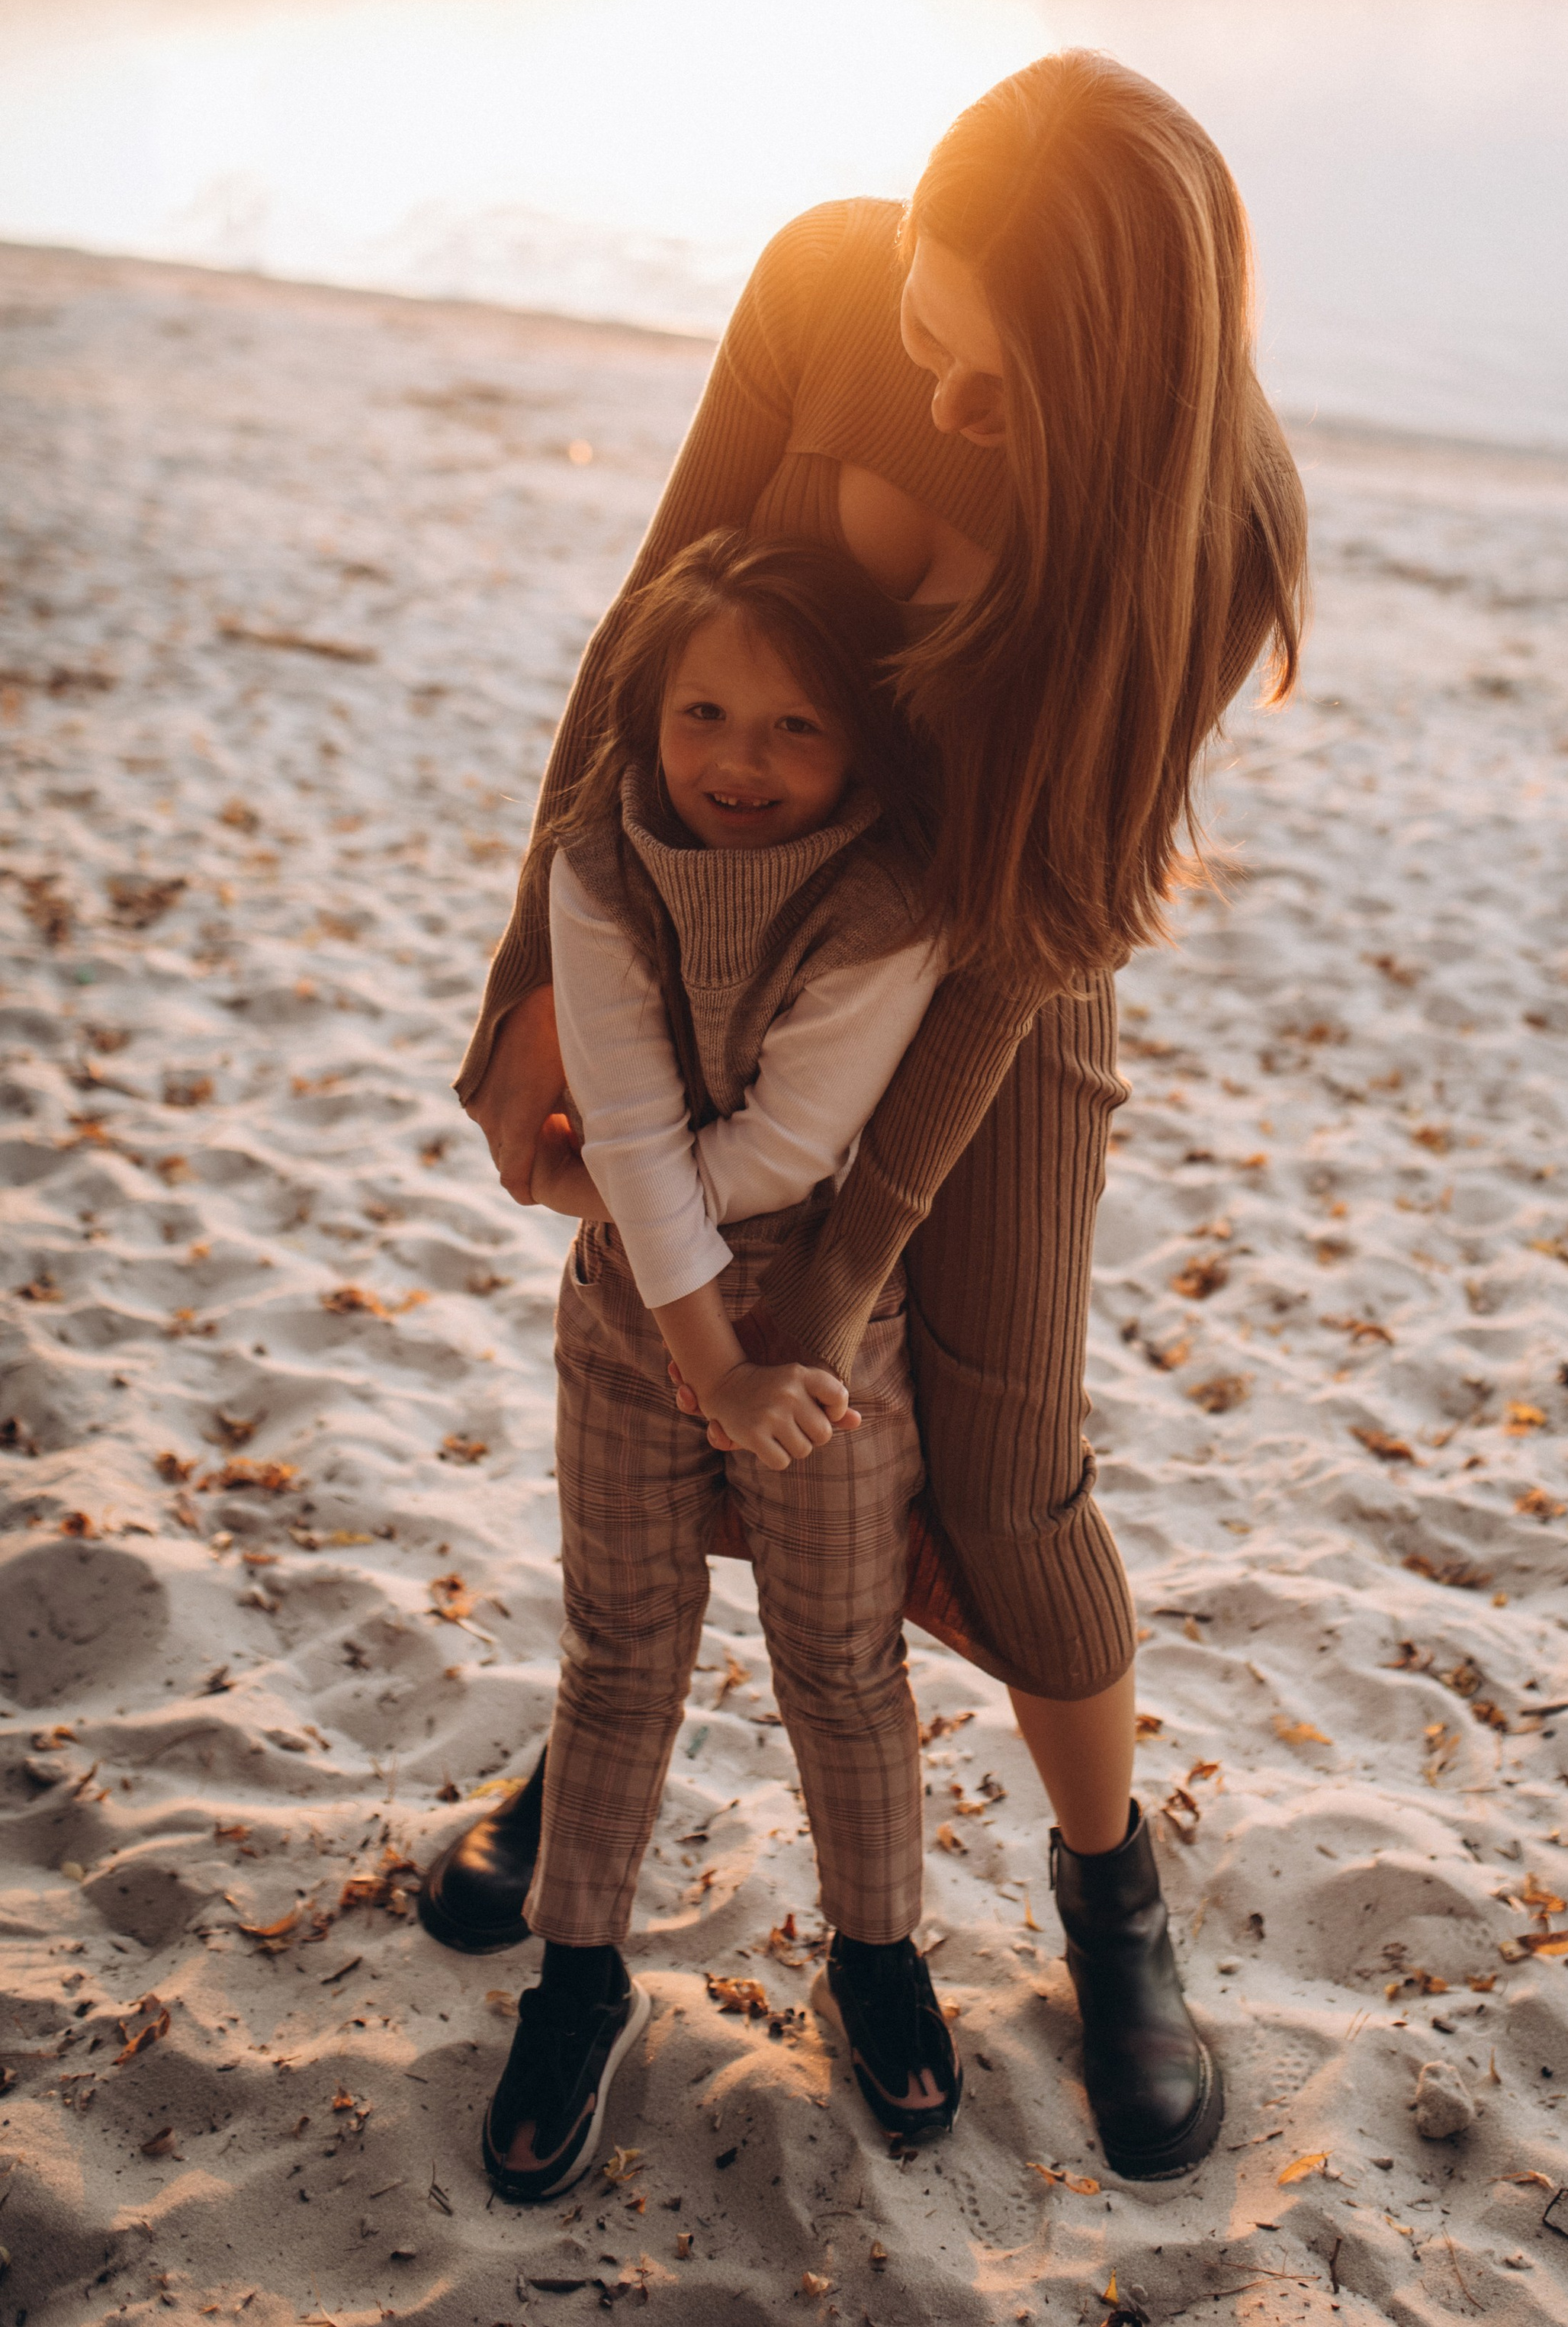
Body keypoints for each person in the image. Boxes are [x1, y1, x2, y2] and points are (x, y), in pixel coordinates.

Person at [432, 49, 1308, 2184]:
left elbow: (1035, 930)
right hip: (709, 927)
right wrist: (521, 990)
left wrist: (841, 1262)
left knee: (1000, 1472)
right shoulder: (826, 279)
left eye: (971, 350)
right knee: (659, 1358)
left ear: (1095, 368)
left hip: (985, 990)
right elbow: (640, 643)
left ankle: (1114, 1905)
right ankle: (596, 1767)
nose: (917, 349)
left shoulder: (1214, 526)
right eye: (916, 298)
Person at [483, 526, 959, 2202]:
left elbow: (781, 1148)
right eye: (701, 714)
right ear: (648, 710)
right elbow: (619, 1105)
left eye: (791, 728)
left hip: (823, 1314)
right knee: (621, 1649)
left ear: (860, 744)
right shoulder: (602, 863)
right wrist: (697, 1359)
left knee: (835, 1661)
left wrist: (742, 1358)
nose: (735, 764)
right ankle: (577, 1975)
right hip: (630, 1300)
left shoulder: (894, 898)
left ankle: (876, 1953)